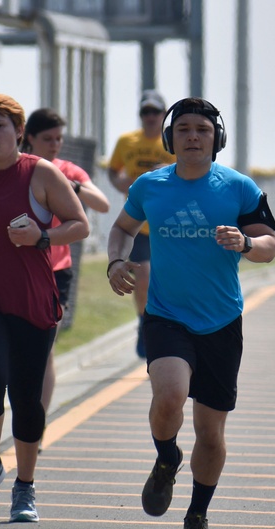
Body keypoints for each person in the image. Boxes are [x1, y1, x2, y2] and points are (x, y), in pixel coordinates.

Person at [106, 97, 275, 529]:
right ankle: (167, 459)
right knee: (169, 396)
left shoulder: (238, 187)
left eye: (202, 129)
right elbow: (122, 228)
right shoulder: (150, 186)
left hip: (222, 320)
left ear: (216, 138)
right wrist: (115, 262)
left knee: (211, 431)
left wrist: (244, 241)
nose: (193, 137)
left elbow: (269, 244)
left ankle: (197, 516)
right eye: (183, 129)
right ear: (169, 138)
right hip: (166, 315)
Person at [0, 92, 90, 523]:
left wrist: (42, 237)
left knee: (26, 397)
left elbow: (79, 225)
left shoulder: (40, 173)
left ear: (19, 132)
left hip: (30, 298)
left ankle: (25, 487)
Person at [22, 108, 111, 426]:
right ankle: (22, 413)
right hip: (16, 270)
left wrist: (72, 186)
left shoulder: (68, 170)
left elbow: (102, 204)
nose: (55, 145)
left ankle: (36, 425)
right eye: (48, 139)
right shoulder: (17, 168)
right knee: (14, 353)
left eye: (59, 138)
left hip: (56, 271)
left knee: (44, 351)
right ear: (29, 138)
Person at [107, 89, 176, 358]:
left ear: (163, 115)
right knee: (144, 276)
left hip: (168, 223)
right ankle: (144, 324)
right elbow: (112, 170)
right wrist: (118, 182)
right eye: (145, 112)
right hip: (138, 223)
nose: (149, 117)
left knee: (168, 281)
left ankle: (166, 326)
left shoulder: (172, 142)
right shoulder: (127, 141)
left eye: (155, 112)